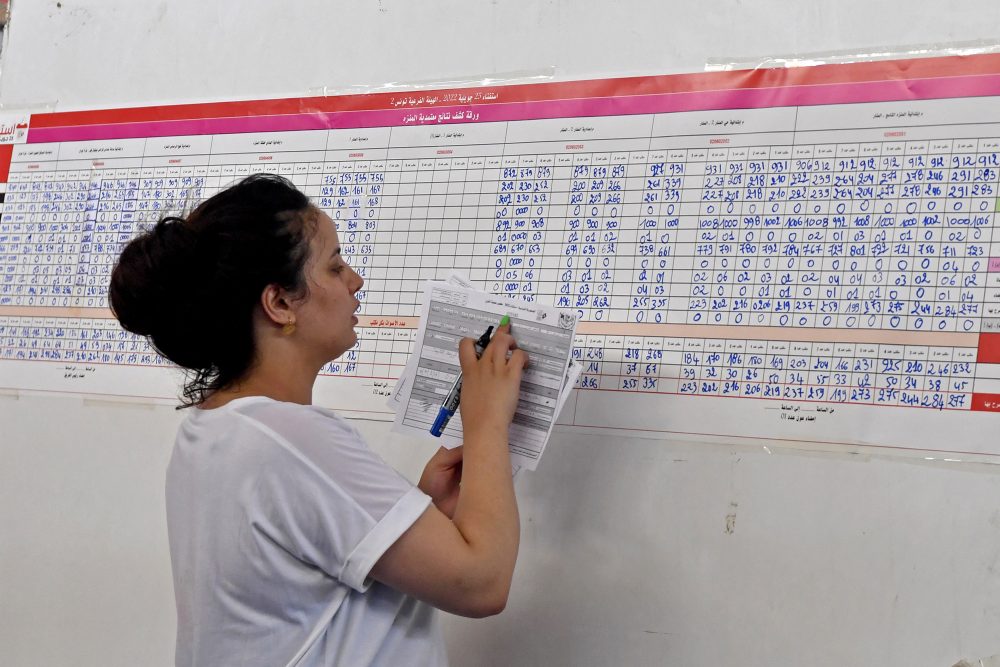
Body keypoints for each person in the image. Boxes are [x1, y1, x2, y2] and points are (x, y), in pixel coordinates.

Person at [109, 174, 528, 666]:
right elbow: (482, 584)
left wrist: (422, 508)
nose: (355, 280)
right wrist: (486, 423)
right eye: (334, 266)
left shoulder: (215, 428)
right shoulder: (291, 439)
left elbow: (309, 576)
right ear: (281, 303)